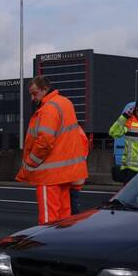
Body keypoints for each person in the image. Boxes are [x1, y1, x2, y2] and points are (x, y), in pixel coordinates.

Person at [16, 75, 89, 224]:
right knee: (64, 218)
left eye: (34, 93)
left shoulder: (48, 108)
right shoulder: (66, 103)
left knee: (48, 221)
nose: (32, 98)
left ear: (45, 89)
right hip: (66, 173)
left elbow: (44, 141)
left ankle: (48, 240)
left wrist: (31, 163)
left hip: (49, 175)